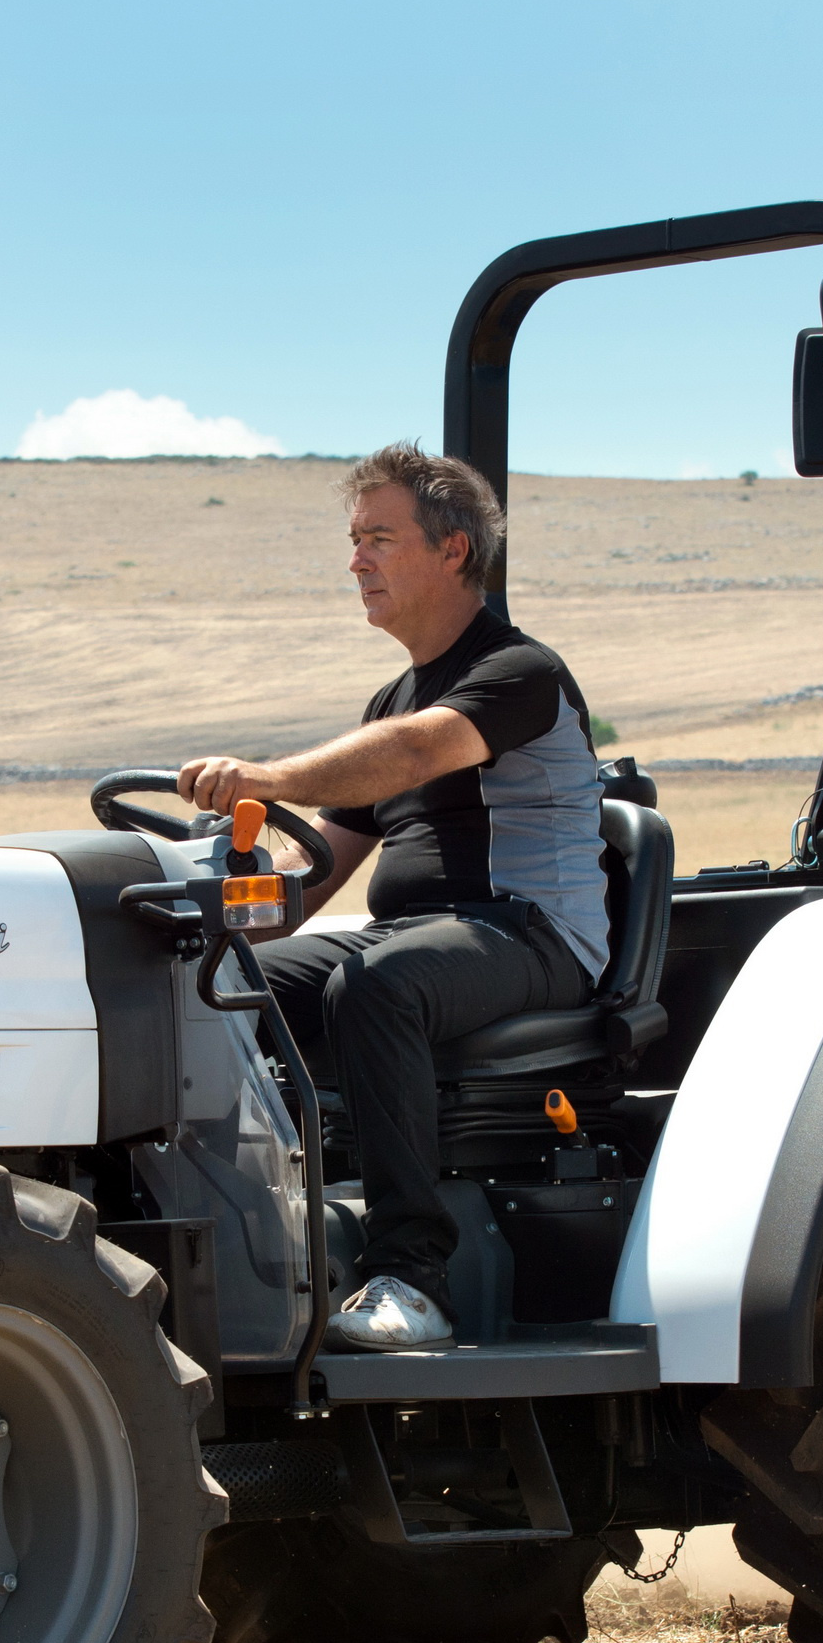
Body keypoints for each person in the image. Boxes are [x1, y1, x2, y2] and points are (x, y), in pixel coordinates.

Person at [177, 443, 609, 1351]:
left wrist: (270, 776)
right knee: (218, 988)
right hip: (421, 936)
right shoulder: (394, 698)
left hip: (529, 936)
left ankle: (412, 1277)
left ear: (454, 550)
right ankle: (252, 1238)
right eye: (353, 539)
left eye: (379, 537)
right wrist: (208, 924)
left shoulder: (520, 673)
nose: (356, 560)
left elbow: (417, 755)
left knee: (376, 984)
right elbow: (321, 865)